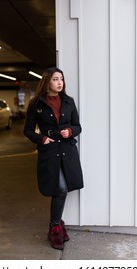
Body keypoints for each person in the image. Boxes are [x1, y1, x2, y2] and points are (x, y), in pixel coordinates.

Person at [23, 67, 84, 250]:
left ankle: (56, 226)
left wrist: (70, 131)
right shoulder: (37, 104)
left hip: (67, 149)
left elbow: (78, 126)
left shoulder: (68, 101)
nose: (60, 83)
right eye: (56, 79)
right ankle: (55, 227)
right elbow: (27, 130)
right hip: (50, 151)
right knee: (60, 188)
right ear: (47, 81)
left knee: (62, 189)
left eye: (62, 79)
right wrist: (42, 138)